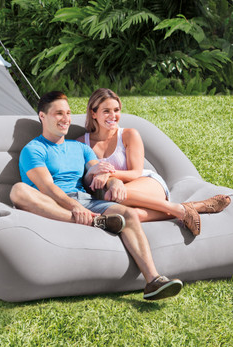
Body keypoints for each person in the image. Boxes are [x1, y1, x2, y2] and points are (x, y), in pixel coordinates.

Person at [10, 91, 182, 301]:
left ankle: (153, 280)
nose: (66, 119)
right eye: (58, 114)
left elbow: (97, 171)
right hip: (52, 203)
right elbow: (46, 187)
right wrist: (74, 207)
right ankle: (96, 222)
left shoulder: (81, 148)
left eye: (68, 113)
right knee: (18, 190)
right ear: (42, 116)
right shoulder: (34, 149)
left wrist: (114, 181)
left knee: (126, 213)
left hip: (86, 201)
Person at [77, 88, 231, 234]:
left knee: (112, 195)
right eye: (106, 111)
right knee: (131, 215)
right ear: (94, 113)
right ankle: (193, 207)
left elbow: (136, 172)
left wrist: (108, 174)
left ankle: (180, 211)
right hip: (119, 198)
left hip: (145, 184)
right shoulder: (81, 143)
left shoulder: (129, 135)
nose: (113, 116)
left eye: (116, 110)